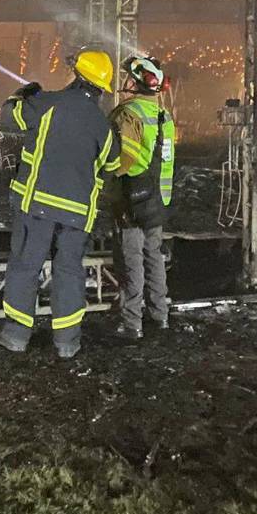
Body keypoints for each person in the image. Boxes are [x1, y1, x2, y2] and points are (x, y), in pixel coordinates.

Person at [0, 49, 121, 359]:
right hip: (77, 215)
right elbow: (113, 163)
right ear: (101, 88)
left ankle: (16, 335)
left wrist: (20, 96)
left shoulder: (47, 103)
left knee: (26, 266)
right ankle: (66, 342)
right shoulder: (102, 125)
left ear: (76, 76)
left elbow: (8, 117)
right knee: (69, 272)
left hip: (36, 206)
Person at [108, 54, 176, 338]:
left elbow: (126, 157)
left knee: (131, 260)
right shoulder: (164, 116)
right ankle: (160, 316)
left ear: (137, 83)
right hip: (159, 199)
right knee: (155, 257)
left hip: (131, 198)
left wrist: (102, 177)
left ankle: (132, 322)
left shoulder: (129, 113)